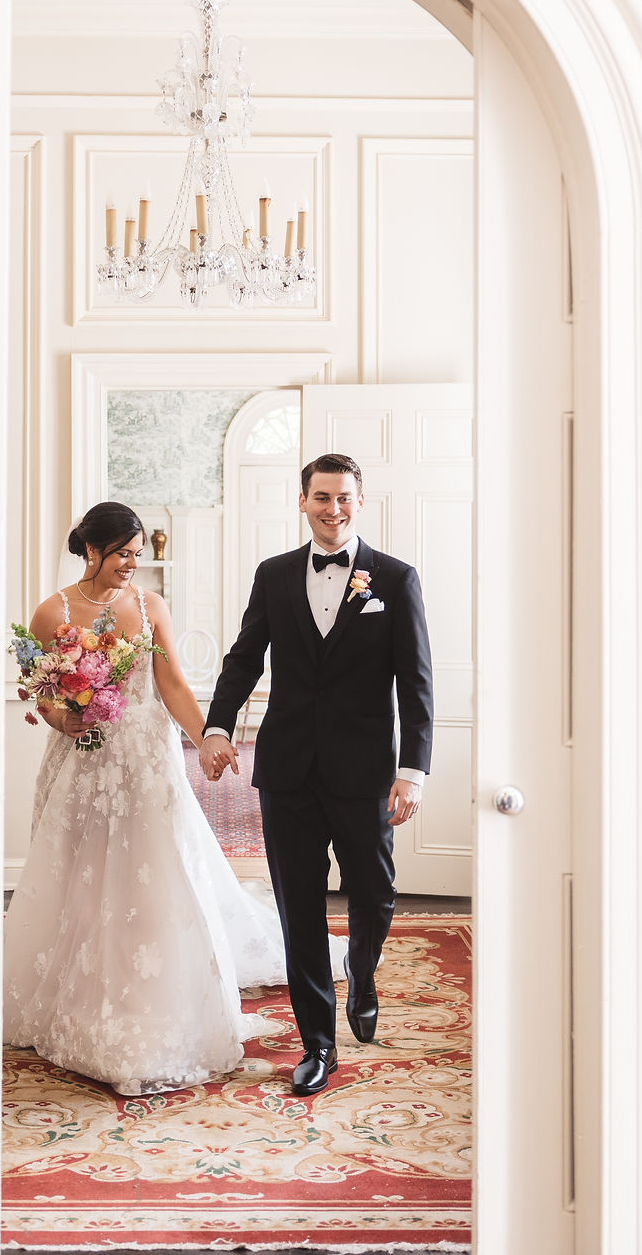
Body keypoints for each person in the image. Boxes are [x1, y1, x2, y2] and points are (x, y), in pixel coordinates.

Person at [3, 502, 345, 1097]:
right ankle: (69, 988)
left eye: (138, 555)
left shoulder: (148, 606)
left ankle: (150, 990)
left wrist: (206, 739)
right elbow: (36, 687)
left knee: (152, 872)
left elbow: (173, 686)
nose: (132, 565)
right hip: (81, 762)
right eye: (122, 555)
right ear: (91, 550)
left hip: (144, 759)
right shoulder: (50, 611)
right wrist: (64, 719)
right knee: (79, 873)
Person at [201, 454, 433, 1096]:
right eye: (322, 497)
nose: (334, 509)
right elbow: (245, 656)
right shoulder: (273, 575)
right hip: (288, 770)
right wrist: (217, 728)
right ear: (302, 501)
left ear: (362, 502)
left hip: (366, 773)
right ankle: (318, 1046)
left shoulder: (396, 578)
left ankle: (362, 968)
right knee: (298, 909)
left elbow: (416, 686)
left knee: (375, 892)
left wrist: (412, 770)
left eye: (345, 498)